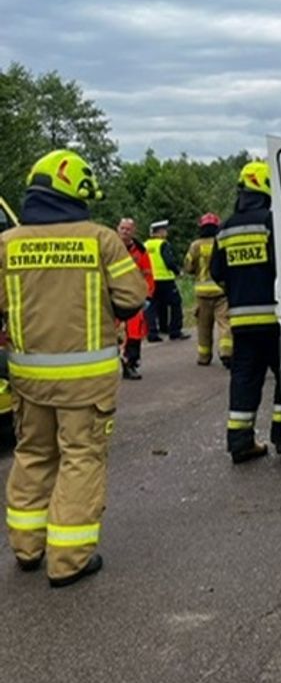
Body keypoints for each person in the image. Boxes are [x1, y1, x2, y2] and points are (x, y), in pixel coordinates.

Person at [1, 149, 147, 586]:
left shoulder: (7, 244)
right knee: (81, 459)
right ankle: (68, 560)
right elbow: (131, 299)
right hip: (86, 383)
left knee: (32, 455)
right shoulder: (101, 239)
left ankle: (27, 549)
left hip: (28, 380)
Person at [210, 160, 281, 464]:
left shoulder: (225, 229)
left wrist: (239, 290)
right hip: (276, 319)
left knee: (243, 379)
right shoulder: (271, 223)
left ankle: (240, 442)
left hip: (242, 323)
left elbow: (217, 272)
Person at [184, 213, 231, 368]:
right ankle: (226, 353)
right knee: (224, 323)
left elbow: (189, 266)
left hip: (202, 293)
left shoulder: (196, 245)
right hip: (221, 291)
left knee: (204, 326)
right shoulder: (222, 242)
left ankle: (204, 357)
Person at [116, 218, 155, 380]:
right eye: (122, 228)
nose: (125, 231)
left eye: (128, 229)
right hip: (112, 297)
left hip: (133, 298)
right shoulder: (109, 248)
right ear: (117, 229)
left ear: (134, 231)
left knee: (134, 332)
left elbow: (147, 274)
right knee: (110, 334)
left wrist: (147, 295)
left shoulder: (140, 251)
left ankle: (130, 363)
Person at [144, 220, 190, 342]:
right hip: (165, 279)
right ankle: (175, 331)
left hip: (150, 280)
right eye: (164, 230)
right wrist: (177, 271)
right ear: (159, 232)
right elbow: (169, 261)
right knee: (175, 303)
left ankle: (153, 332)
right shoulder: (163, 244)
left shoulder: (146, 245)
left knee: (153, 306)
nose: (166, 232)